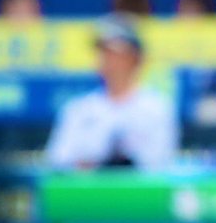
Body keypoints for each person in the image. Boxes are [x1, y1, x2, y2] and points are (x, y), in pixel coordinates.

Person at [46, 14, 177, 170]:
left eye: (115, 54)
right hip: (90, 192)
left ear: (136, 59)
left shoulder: (157, 108)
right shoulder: (78, 109)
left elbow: (160, 162)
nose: (109, 61)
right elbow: (58, 161)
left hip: (138, 192)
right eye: (103, 53)